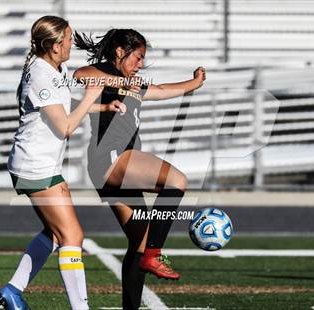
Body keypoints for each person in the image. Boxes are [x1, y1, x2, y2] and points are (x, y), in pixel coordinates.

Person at [73, 28, 206, 309]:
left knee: (139, 242)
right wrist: (118, 82)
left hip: (110, 169)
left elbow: (160, 90)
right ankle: (156, 254)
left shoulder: (132, 81)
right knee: (177, 181)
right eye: (138, 56)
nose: (141, 64)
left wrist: (193, 83)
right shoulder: (106, 71)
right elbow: (80, 75)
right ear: (120, 51)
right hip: (111, 158)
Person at [0, 15, 104, 310]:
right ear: (55, 45)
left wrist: (103, 104)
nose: (71, 43)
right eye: (68, 39)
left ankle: (13, 290)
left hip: (42, 165)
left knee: (55, 235)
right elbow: (64, 126)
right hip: (35, 166)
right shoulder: (41, 75)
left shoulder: (55, 67)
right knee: (72, 235)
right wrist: (91, 96)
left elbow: (64, 105)